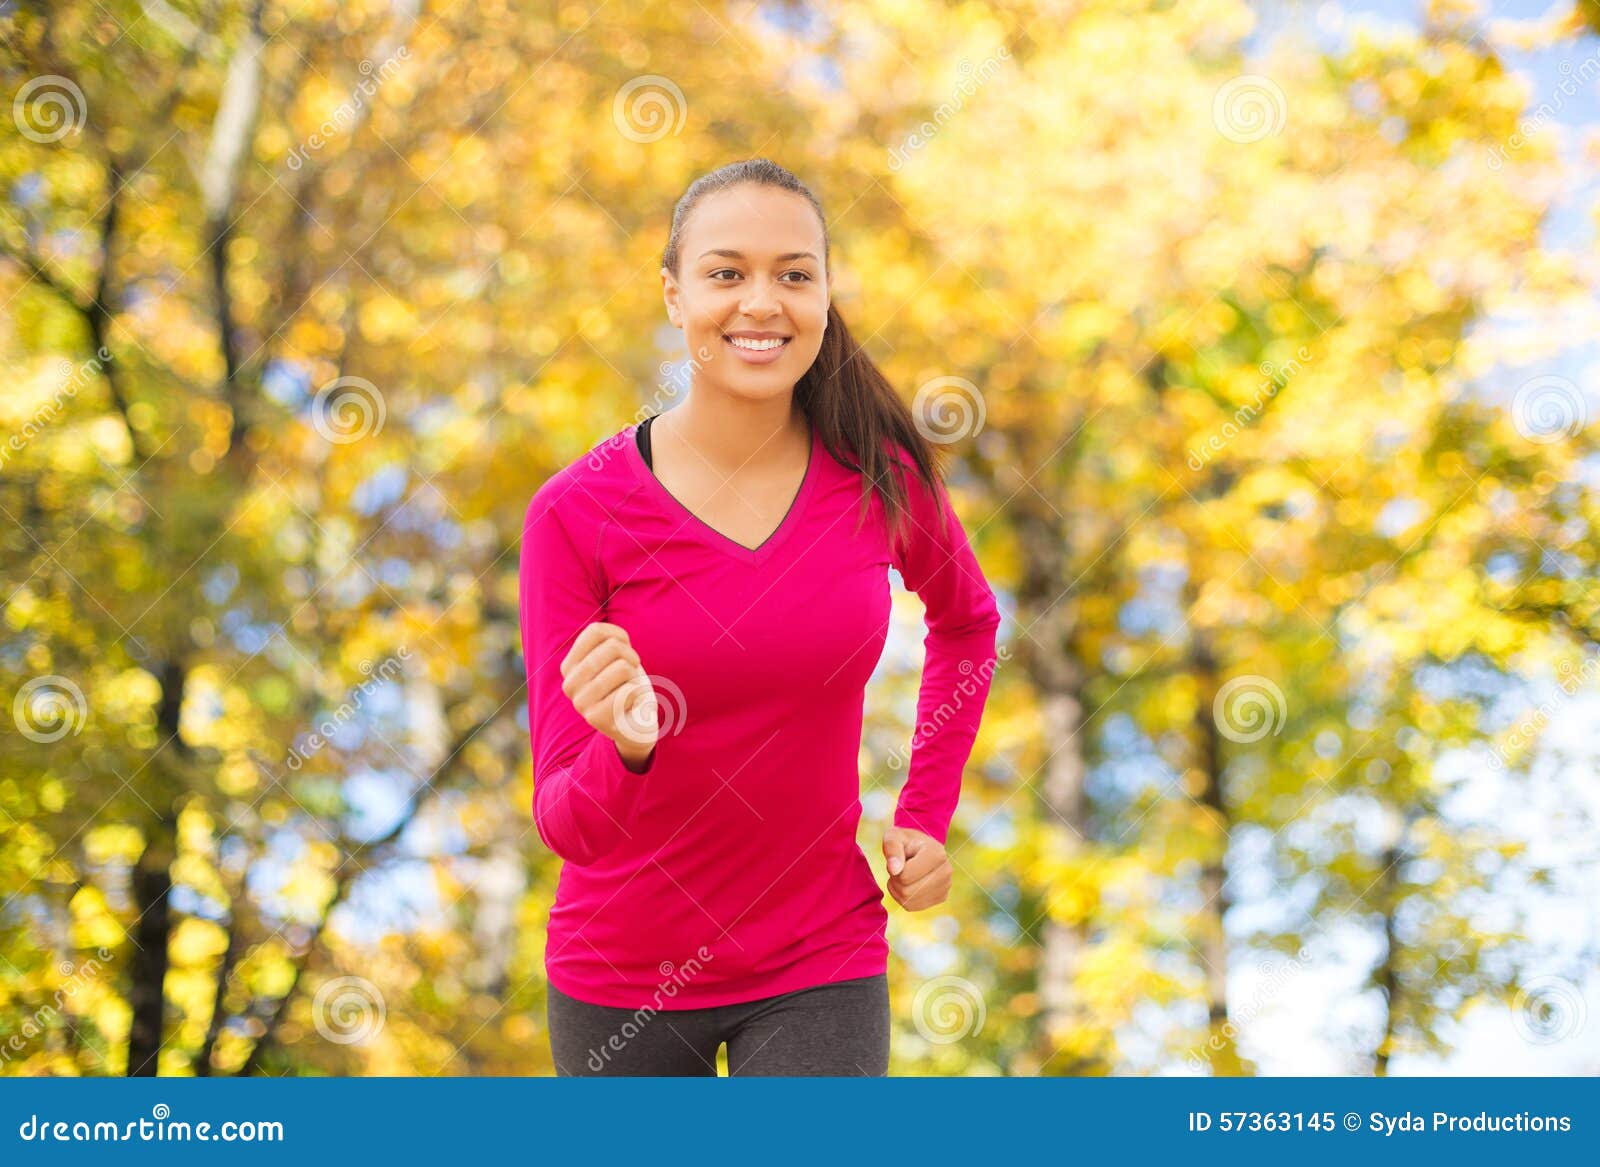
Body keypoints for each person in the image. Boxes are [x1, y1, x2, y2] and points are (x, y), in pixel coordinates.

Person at [518, 158, 1002, 1076]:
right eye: (725, 273)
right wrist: (626, 750)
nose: (762, 303)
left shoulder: (880, 474)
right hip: (624, 981)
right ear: (674, 295)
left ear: (824, 294)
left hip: (820, 955)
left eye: (794, 273)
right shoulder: (575, 516)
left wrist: (926, 814)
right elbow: (565, 824)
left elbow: (969, 623)